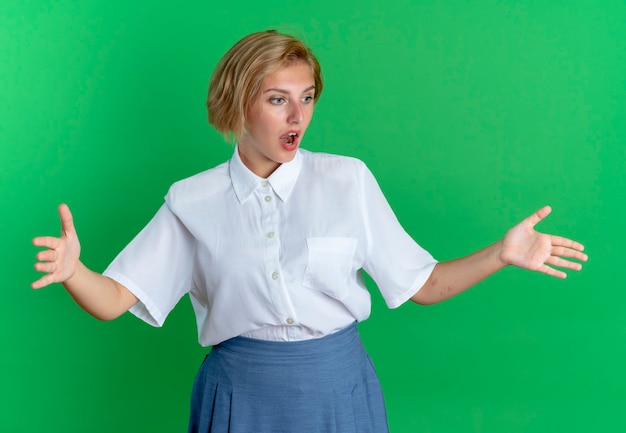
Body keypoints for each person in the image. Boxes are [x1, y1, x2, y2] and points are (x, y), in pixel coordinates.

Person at [31, 30, 587, 433]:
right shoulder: (191, 200)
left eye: (307, 98)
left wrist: (502, 254)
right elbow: (116, 300)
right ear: (237, 103)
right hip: (239, 396)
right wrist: (75, 272)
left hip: (338, 392)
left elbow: (422, 285)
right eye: (278, 100)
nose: (297, 116)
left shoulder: (348, 180)